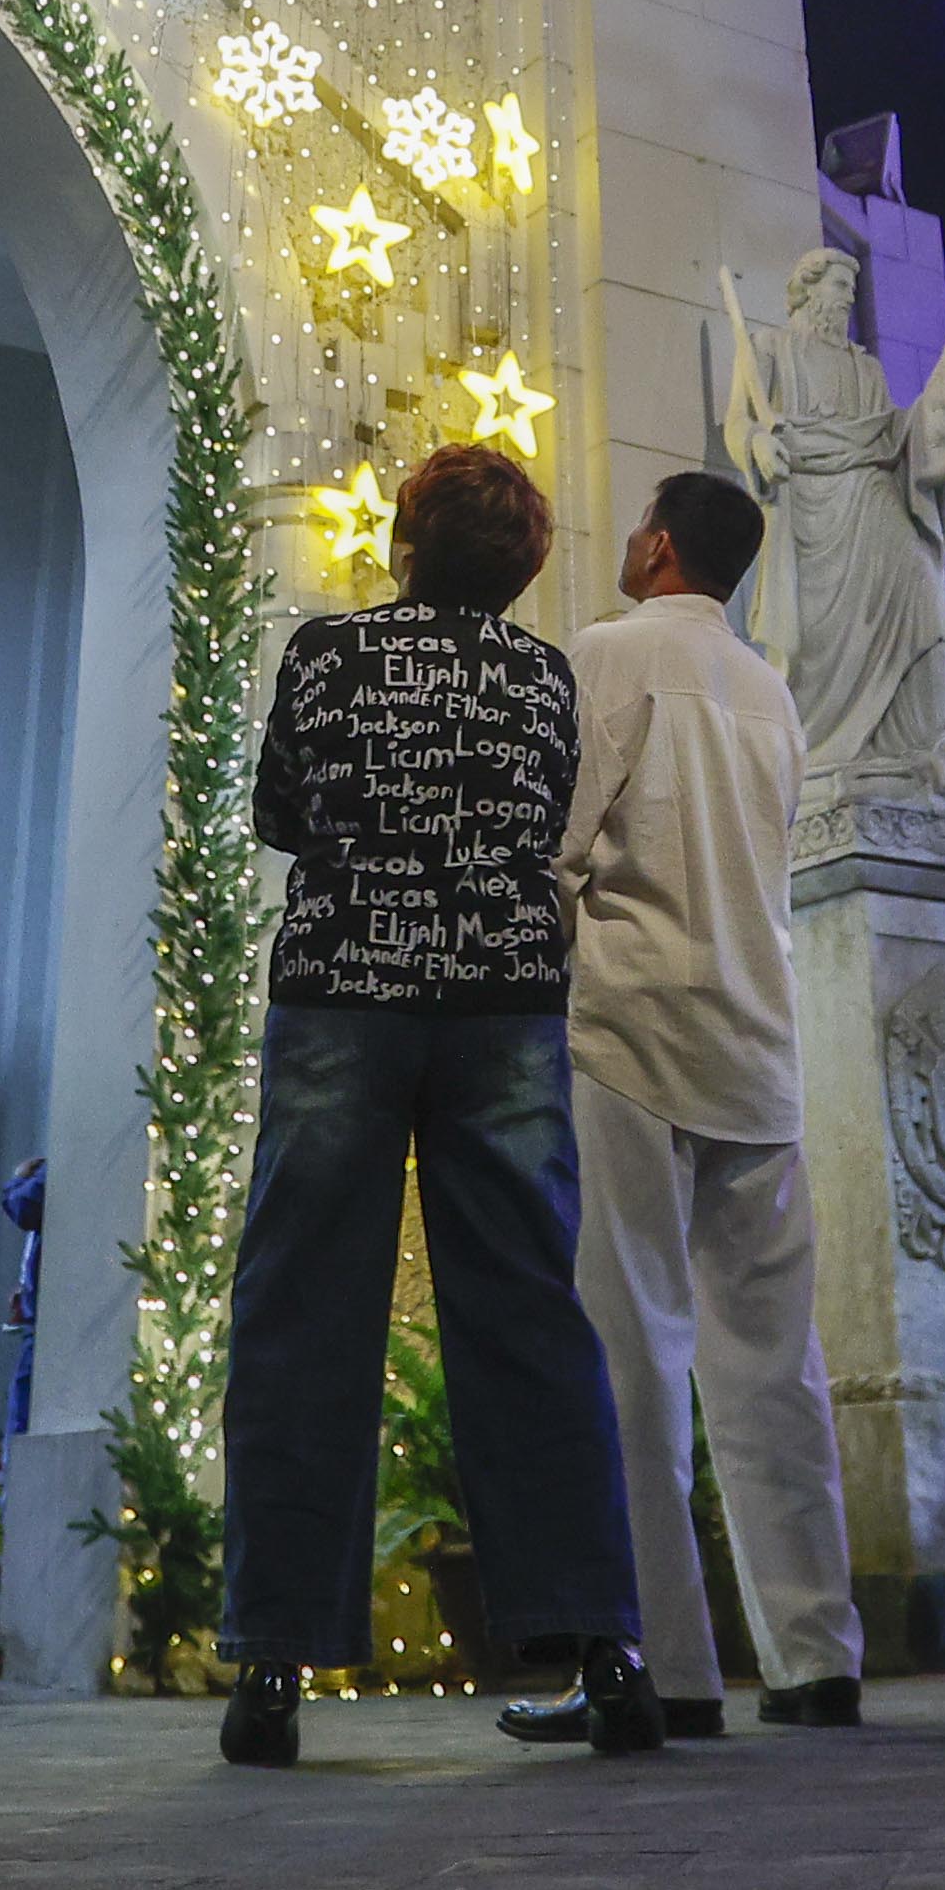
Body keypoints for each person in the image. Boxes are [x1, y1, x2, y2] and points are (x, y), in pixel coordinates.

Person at [215, 444, 654, 1771]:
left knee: (302, 1311)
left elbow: (279, 813)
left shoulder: (325, 653)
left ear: (404, 542)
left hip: (343, 996)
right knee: (527, 1312)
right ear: (520, 568)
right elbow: (551, 821)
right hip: (503, 1006)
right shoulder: (544, 676)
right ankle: (605, 1652)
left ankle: (274, 1665)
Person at [494, 467, 860, 1743]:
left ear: (656, 546)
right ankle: (816, 1658)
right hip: (759, 1045)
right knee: (774, 1363)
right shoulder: (770, 690)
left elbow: (556, 844)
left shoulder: (608, 654)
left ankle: (657, 1669)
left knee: (631, 1352)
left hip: (631, 1034)